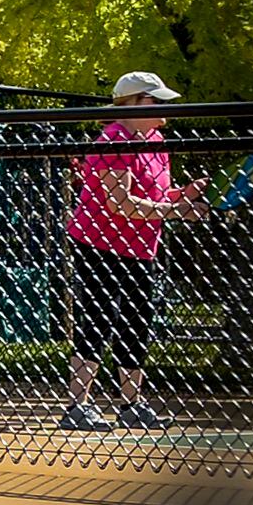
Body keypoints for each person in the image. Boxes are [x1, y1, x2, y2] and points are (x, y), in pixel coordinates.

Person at [58, 71, 205, 432]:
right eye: (156, 101)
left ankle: (132, 404)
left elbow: (155, 198)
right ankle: (78, 406)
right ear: (134, 103)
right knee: (97, 319)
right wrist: (176, 211)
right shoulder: (114, 139)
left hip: (141, 248)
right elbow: (120, 204)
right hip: (99, 244)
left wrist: (183, 198)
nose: (165, 109)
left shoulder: (156, 140)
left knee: (137, 323)